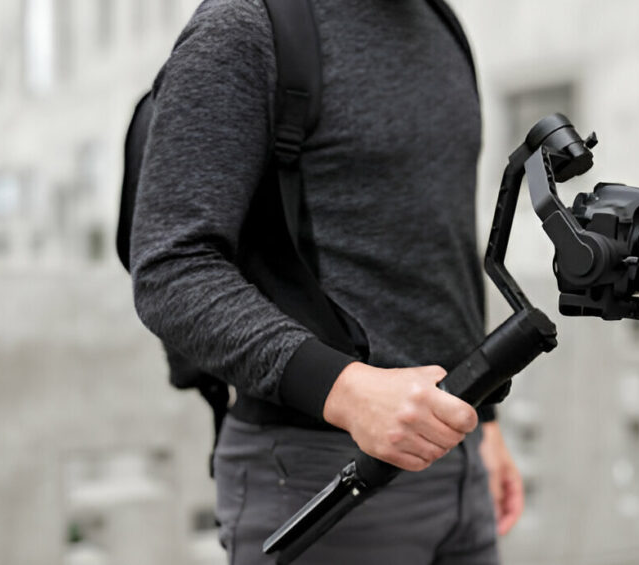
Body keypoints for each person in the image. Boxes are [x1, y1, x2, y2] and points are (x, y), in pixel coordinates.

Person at [129, 0, 523, 563]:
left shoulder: (440, 23)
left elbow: (440, 245)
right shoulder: (245, 27)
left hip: (457, 468)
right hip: (319, 473)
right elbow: (170, 266)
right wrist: (347, 390)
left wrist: (484, 422)